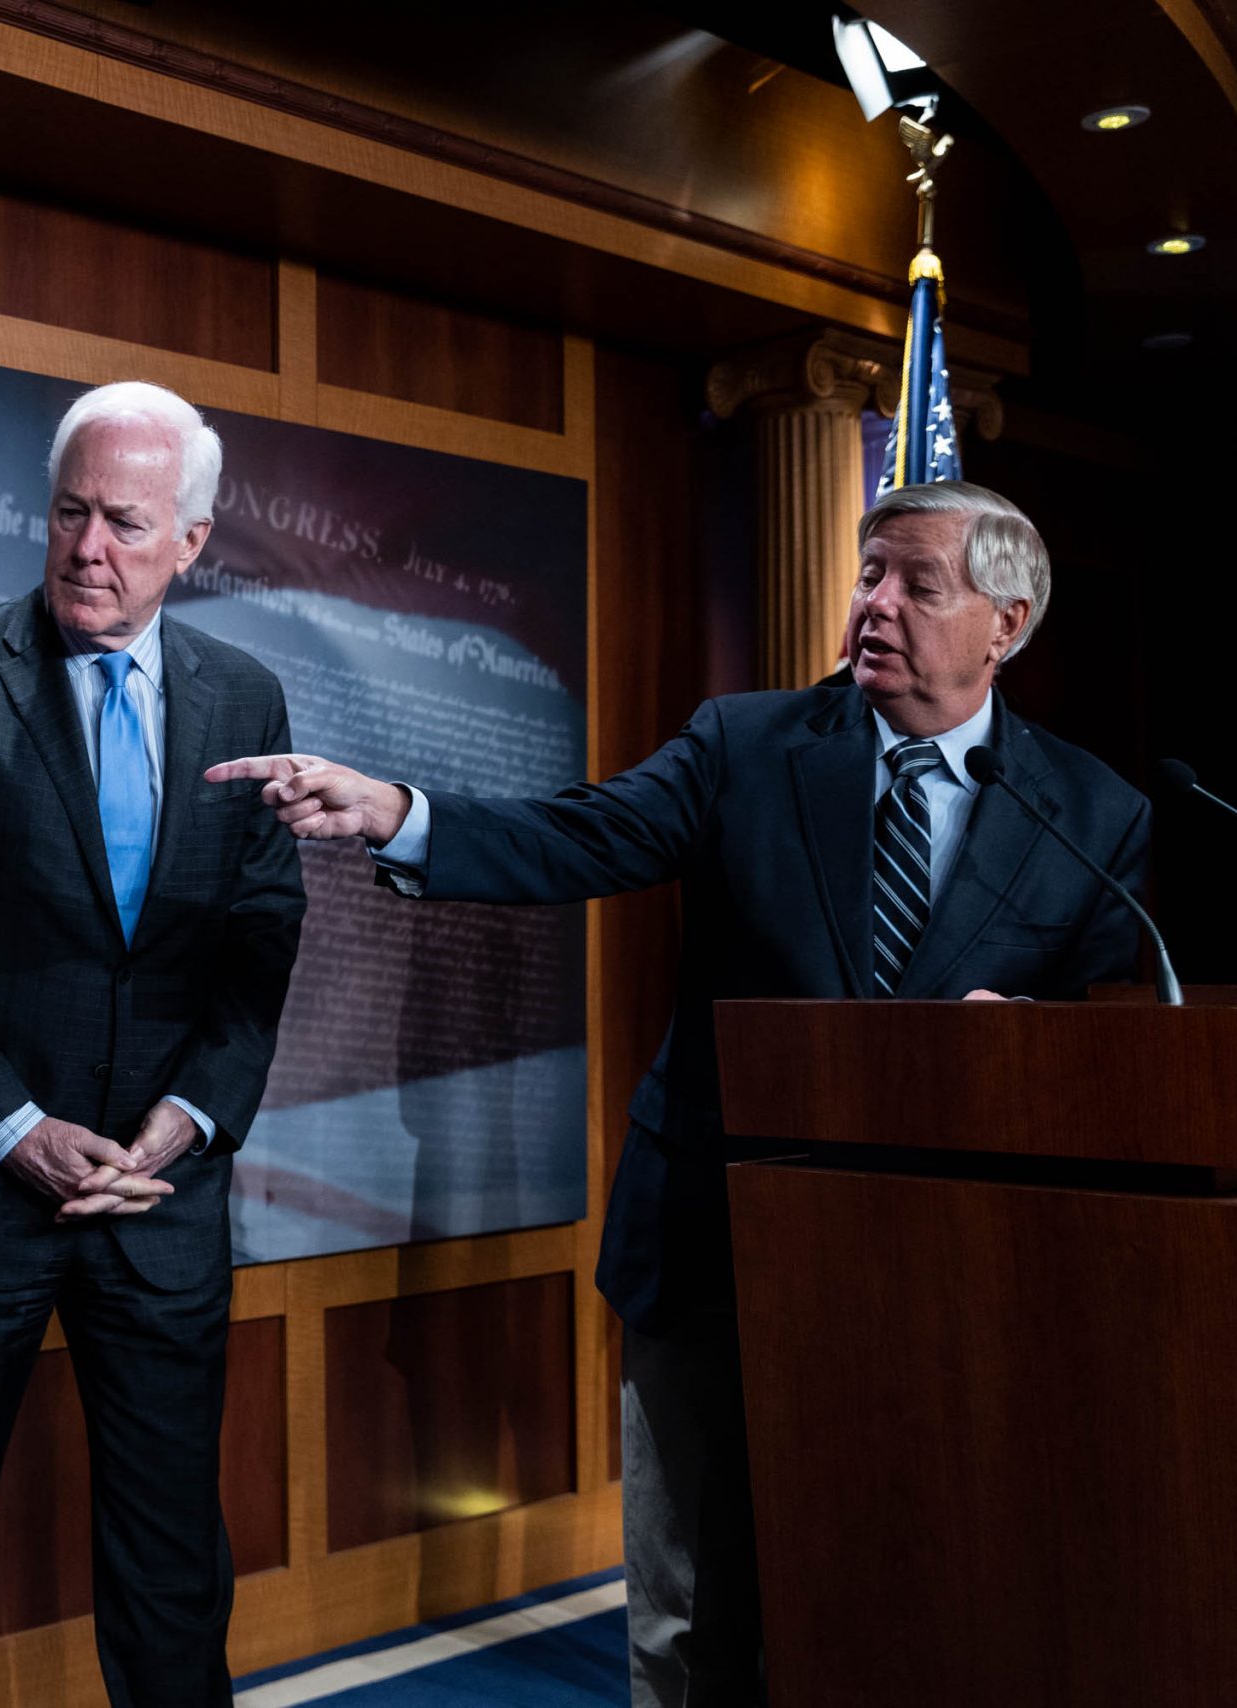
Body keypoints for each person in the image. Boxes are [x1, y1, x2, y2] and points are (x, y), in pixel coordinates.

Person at [206, 480, 1146, 1708]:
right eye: (869, 573)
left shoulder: (1088, 812)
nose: (874, 603)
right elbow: (580, 836)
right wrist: (397, 811)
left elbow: (1109, 1034)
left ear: (1005, 624)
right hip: (711, 1244)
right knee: (689, 1616)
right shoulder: (746, 743)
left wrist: (1027, 1046)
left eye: (918, 584)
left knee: (895, 1592)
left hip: (939, 1279)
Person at [0, 381, 305, 1708]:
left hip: (157, 1197)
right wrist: (15, 1127)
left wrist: (190, 1117)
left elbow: (263, 940)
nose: (91, 548)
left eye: (127, 523)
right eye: (72, 512)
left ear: (191, 542)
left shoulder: (247, 700)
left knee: (169, 1572)